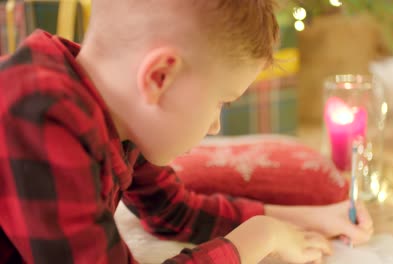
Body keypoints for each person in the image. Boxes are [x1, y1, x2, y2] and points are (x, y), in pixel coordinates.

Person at [0, 0, 373, 263]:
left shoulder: (114, 107)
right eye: (221, 102)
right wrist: (256, 240)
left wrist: (311, 217)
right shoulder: (38, 116)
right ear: (160, 77)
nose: (216, 126)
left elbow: (173, 211)